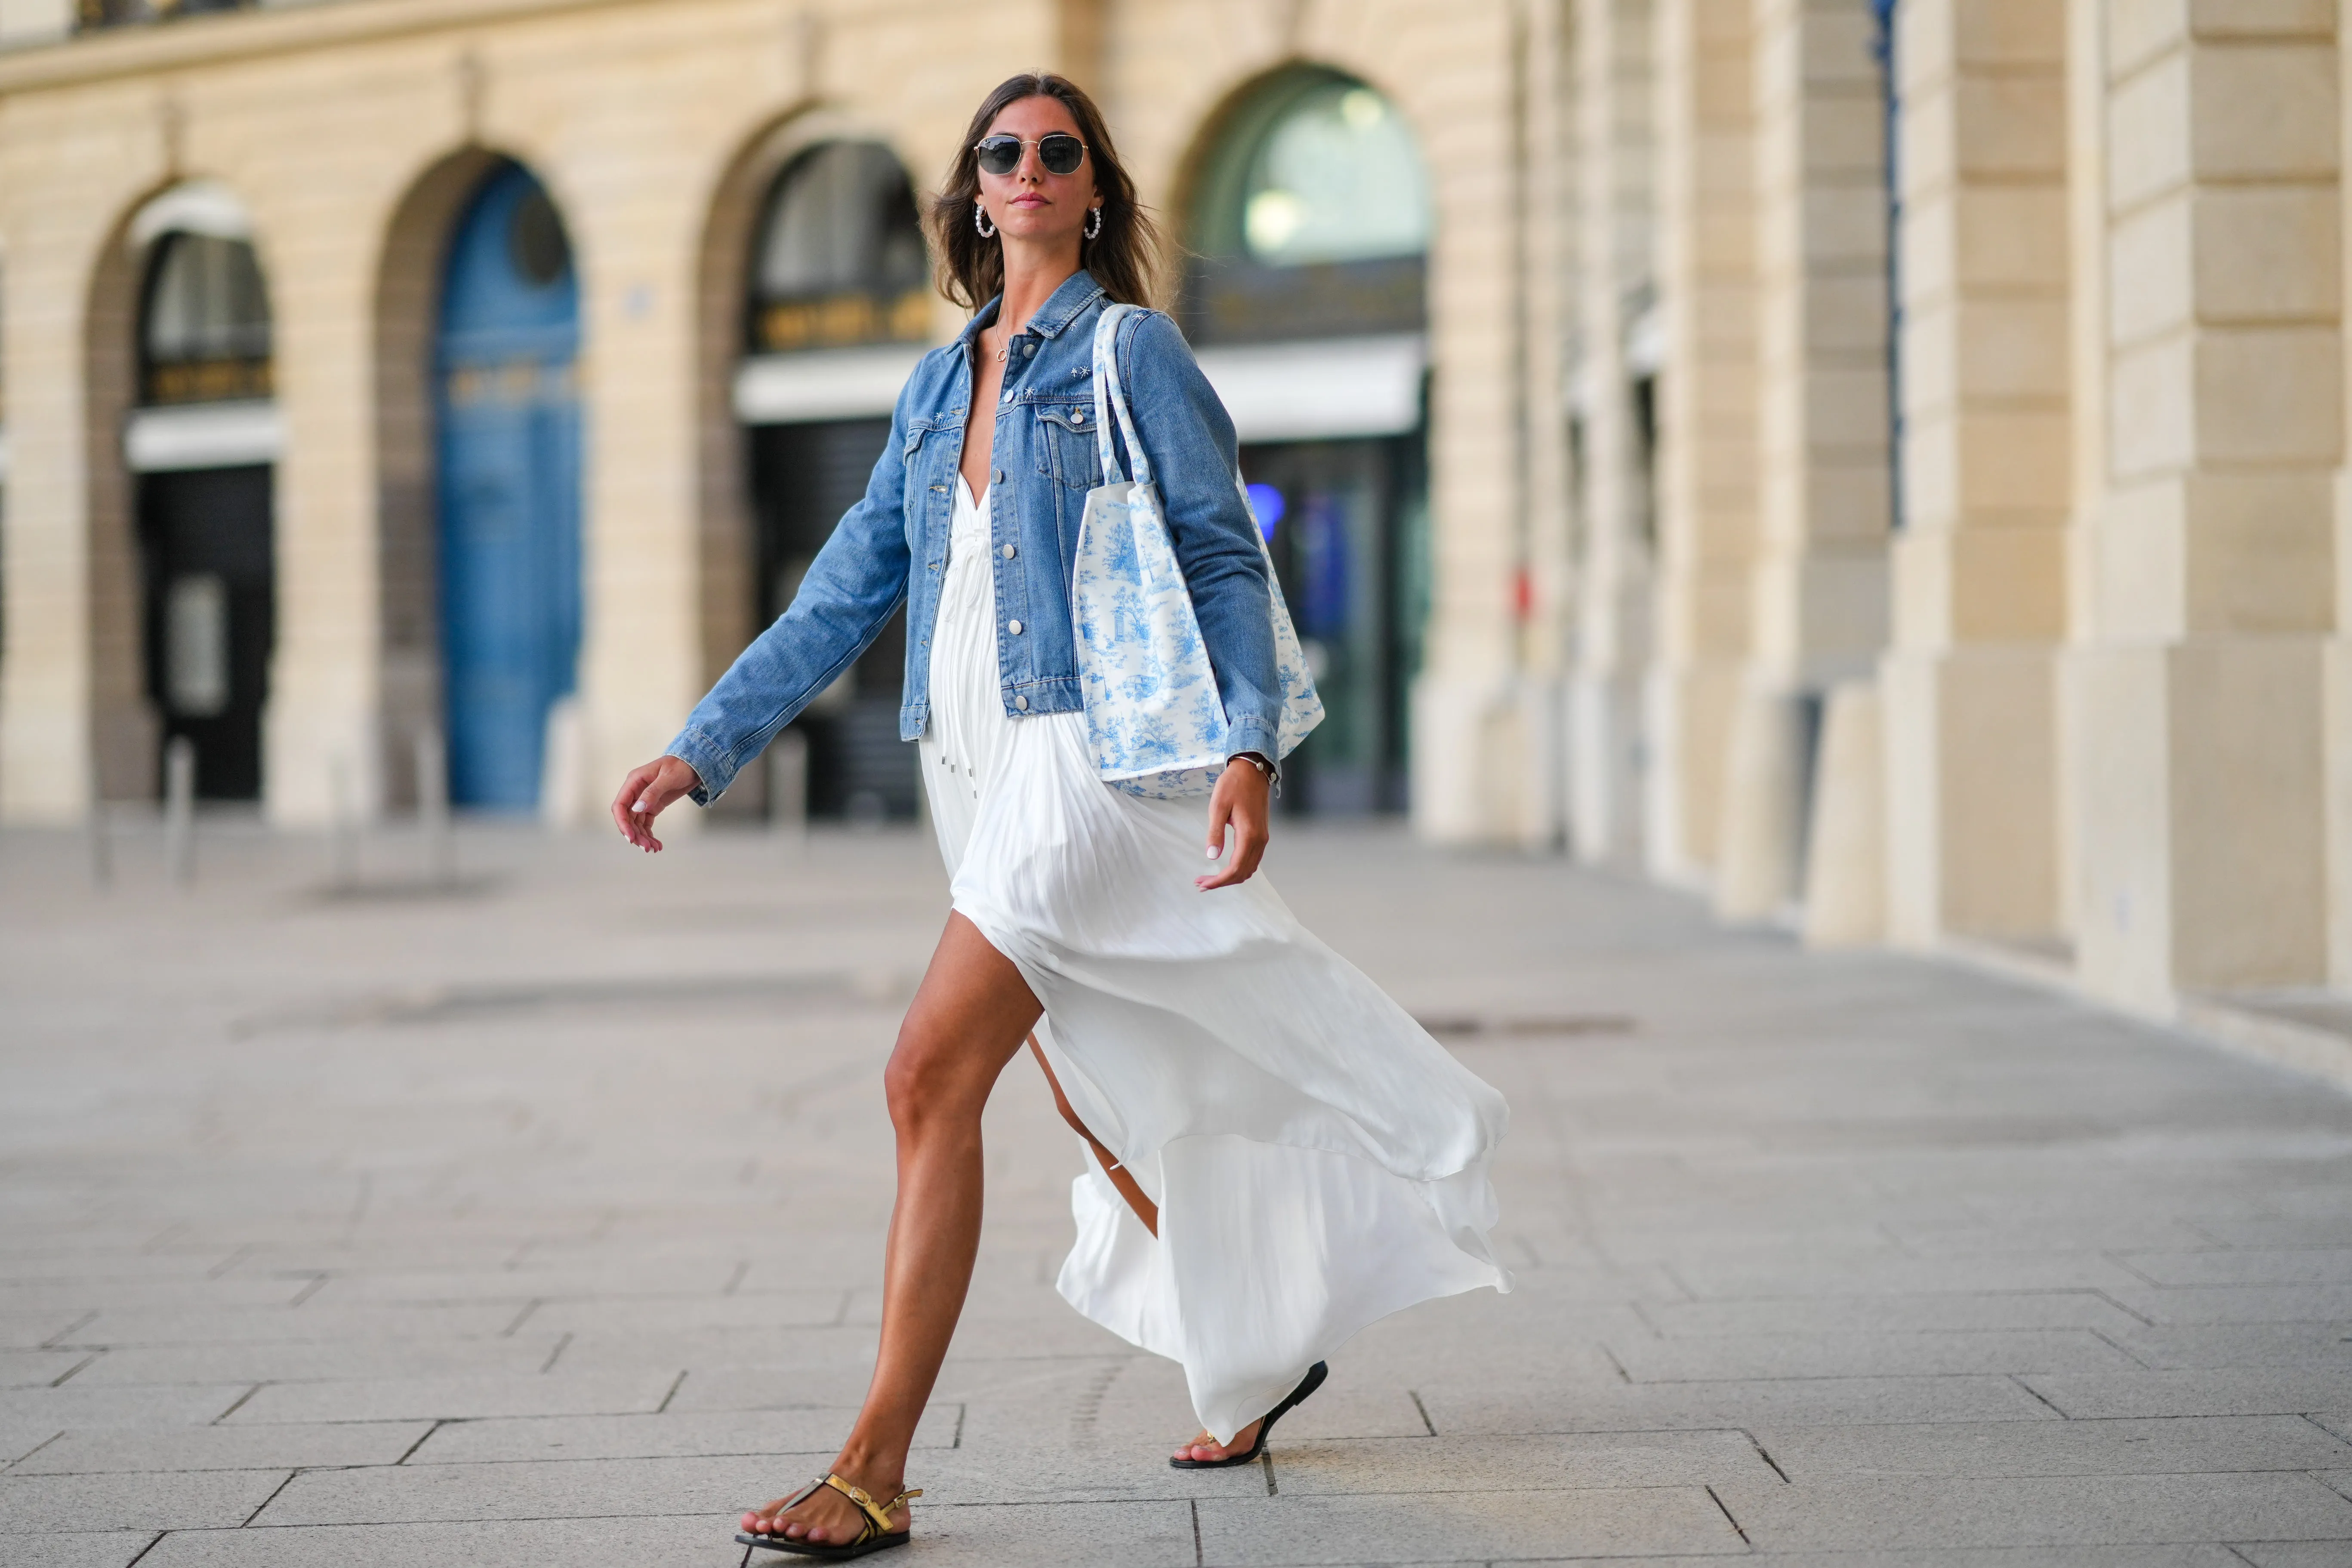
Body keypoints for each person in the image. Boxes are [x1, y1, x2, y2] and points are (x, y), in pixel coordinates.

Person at [610, 71, 1510, 1561]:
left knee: (921, 1077)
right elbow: (845, 593)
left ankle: (876, 1465)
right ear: (972, 191)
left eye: (1059, 152)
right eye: (1003, 152)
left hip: (1084, 764)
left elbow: (1225, 557)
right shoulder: (932, 382)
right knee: (1096, 1087)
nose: (1028, 169)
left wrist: (1250, 751)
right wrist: (703, 748)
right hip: (969, 773)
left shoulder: (1129, 350)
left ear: (1096, 192)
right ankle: (1261, 1342)